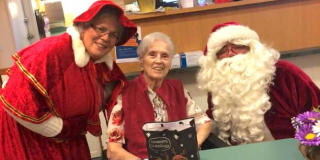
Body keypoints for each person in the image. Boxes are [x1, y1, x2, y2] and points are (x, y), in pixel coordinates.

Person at [0, 1, 137, 159]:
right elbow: (14, 98)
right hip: (29, 137)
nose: (106, 37)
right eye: (101, 29)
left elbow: (118, 92)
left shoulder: (103, 65)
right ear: (85, 26)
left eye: (114, 34)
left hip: (69, 138)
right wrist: (59, 128)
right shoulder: (51, 51)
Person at [197, 22, 320, 145]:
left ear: (253, 48)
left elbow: (315, 109)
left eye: (238, 46)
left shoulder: (284, 72)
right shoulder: (219, 83)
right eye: (222, 50)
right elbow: (211, 118)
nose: (230, 53)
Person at [106, 32, 212, 159]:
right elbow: (113, 150)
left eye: (165, 56)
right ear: (141, 59)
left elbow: (204, 123)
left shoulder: (178, 90)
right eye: (152, 55)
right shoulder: (124, 94)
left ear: (170, 62)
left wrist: (190, 149)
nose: (159, 61)